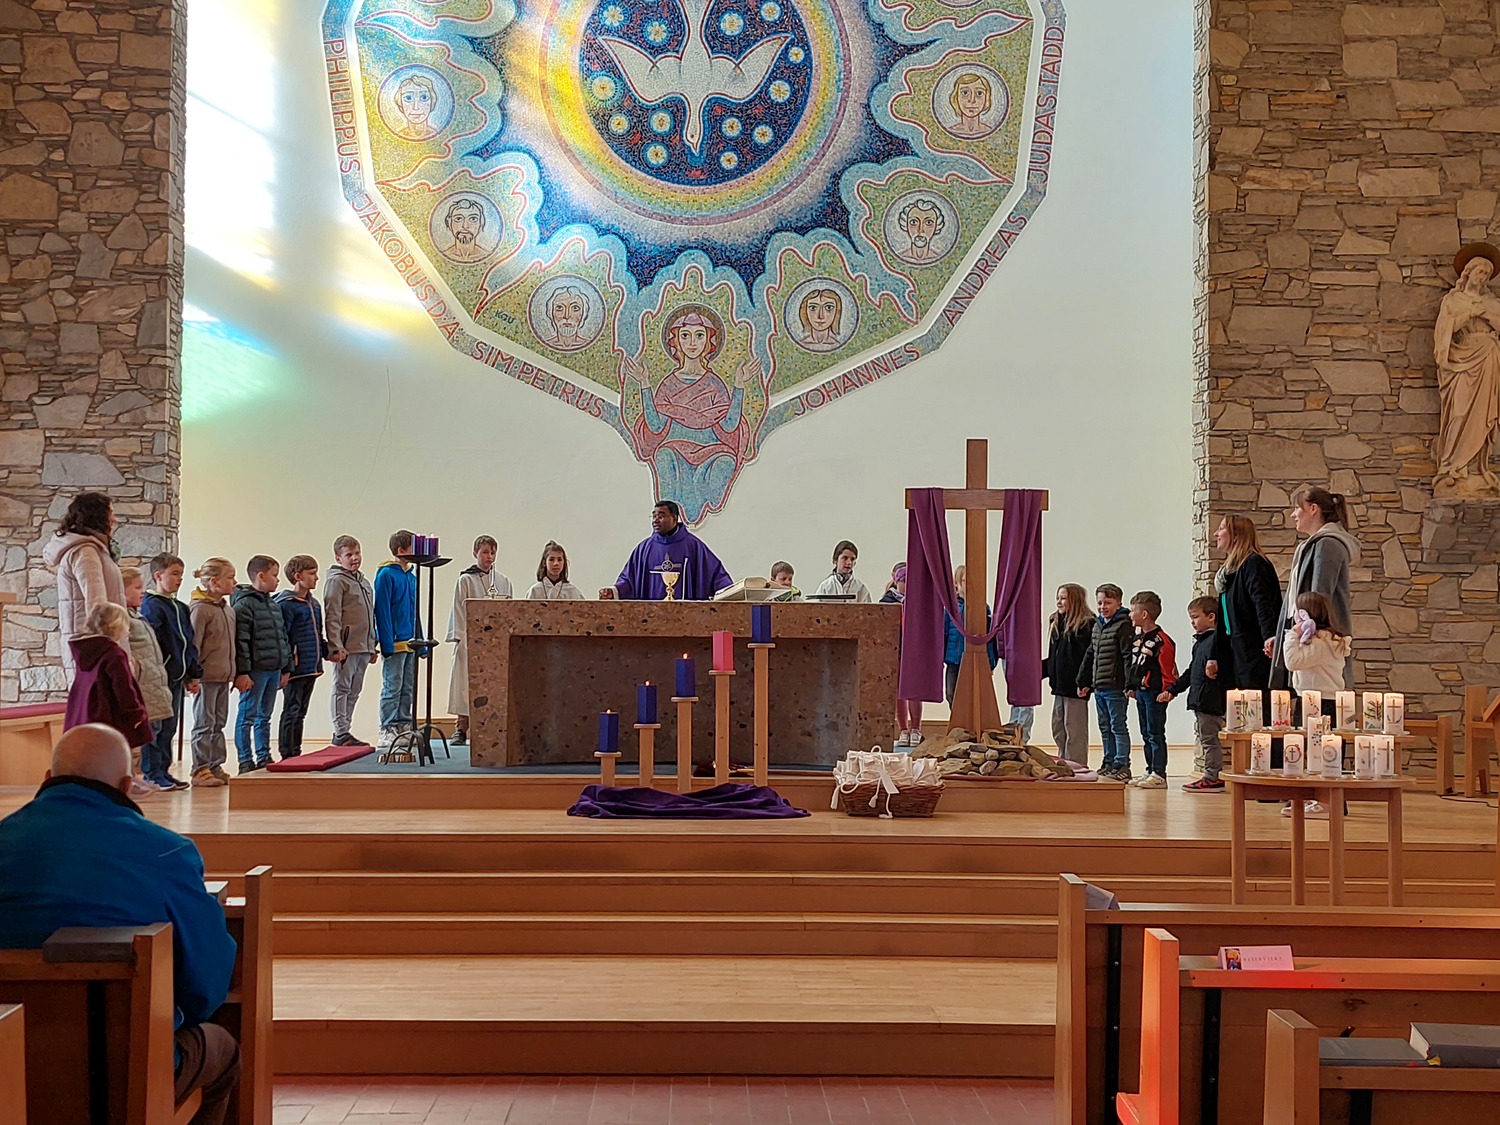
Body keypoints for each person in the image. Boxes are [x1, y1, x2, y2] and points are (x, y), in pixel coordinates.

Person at [0, 724, 241, 1124]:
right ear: (127, 786)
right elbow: (206, 988)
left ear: (48, 777)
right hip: (122, 1072)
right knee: (223, 1051)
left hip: (6, 1069)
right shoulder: (166, 854)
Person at [1268, 488, 1361, 690]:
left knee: (1314, 701)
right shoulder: (1312, 545)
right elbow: (1295, 601)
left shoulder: (1328, 544)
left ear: (1313, 509)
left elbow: (1318, 598)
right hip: (1304, 634)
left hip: (1315, 642)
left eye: (1297, 508)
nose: (1293, 515)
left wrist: (1300, 637)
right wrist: (1284, 634)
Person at [64, 603, 154, 799]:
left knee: (92, 753)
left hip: (87, 708)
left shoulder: (84, 649)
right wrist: (136, 712)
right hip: (108, 710)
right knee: (115, 749)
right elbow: (123, 686)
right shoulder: (113, 653)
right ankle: (121, 784)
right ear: (117, 625)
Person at [1212, 514, 1282, 766]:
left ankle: (1270, 769)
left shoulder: (1253, 564)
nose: (1216, 534)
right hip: (1238, 653)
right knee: (1249, 713)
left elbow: (1263, 603)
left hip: (1256, 653)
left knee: (1263, 711)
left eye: (1221, 529)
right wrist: (1215, 656)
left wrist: (1270, 637)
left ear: (1236, 535)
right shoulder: (1230, 573)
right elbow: (1224, 621)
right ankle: (1254, 767)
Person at [1434, 242, 1500, 498]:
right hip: (1462, 360)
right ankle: (1452, 466)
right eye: (1479, 271)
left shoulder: (1492, 302)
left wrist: (1486, 313)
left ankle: (1476, 469)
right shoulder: (1453, 300)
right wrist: (1470, 313)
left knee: (1483, 416)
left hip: (1488, 360)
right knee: (1459, 412)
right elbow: (1444, 332)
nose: (1482, 277)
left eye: (1487, 274)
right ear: (1468, 272)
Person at [43, 490, 125, 681]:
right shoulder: (85, 552)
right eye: (111, 513)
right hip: (95, 649)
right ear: (97, 516)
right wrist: (112, 653)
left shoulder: (93, 549)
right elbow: (97, 607)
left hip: (97, 646)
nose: (114, 519)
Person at [140, 553, 202, 792]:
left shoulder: (181, 607)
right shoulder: (152, 605)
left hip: (176, 677)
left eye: (181, 575)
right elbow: (154, 643)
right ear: (158, 576)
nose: (179, 579)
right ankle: (152, 773)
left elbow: (188, 642)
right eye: (174, 574)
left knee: (169, 727)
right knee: (155, 727)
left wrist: (192, 673)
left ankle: (164, 770)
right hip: (160, 678)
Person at [448, 535, 513, 745]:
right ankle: (461, 727)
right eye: (485, 552)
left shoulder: (503, 581)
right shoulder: (465, 580)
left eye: (493, 553)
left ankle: (490, 729)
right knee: (465, 684)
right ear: (475, 553)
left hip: (495, 644)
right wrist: (462, 638)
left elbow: (509, 612)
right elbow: (459, 610)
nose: (489, 557)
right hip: (470, 641)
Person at [1163, 597, 1231, 793]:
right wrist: (1173, 690)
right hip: (1200, 698)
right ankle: (1212, 775)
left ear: (1211, 617)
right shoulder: (1200, 643)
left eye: (1195, 617)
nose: (1192, 622)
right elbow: (1191, 671)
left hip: (1210, 699)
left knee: (1210, 740)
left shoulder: (1217, 642)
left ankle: (1213, 777)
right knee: (1206, 739)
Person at [230, 556, 292, 773]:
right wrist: (243, 672)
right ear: (261, 576)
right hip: (255, 671)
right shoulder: (244, 605)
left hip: (274, 669)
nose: (278, 580)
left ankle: (264, 755)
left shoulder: (273, 605)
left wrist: (286, 668)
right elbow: (241, 642)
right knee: (247, 715)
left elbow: (282, 637)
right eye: (274, 575)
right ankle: (245, 759)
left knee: (265, 716)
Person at [601, 500, 733, 600]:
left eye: (661, 516)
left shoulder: (693, 546)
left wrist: (730, 593)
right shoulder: (644, 549)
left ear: (674, 518)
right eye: (653, 516)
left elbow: (715, 574)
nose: (655, 520)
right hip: (649, 619)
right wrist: (614, 591)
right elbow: (629, 579)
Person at [121, 567, 179, 792]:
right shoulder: (123, 617)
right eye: (137, 587)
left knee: (163, 728)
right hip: (143, 682)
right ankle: (150, 773)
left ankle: (162, 770)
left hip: (155, 681)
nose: (142, 592)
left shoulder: (138, 616)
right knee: (150, 733)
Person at [323, 535, 378, 747]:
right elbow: (333, 615)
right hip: (346, 647)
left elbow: (369, 616)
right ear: (338, 558)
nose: (355, 558)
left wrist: (372, 645)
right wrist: (336, 646)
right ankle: (340, 731)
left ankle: (346, 729)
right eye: (349, 555)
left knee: (355, 690)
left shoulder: (363, 581)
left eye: (357, 553)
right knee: (342, 687)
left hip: (363, 646)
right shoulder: (336, 581)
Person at [1077, 584, 1134, 781]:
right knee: (1104, 726)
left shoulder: (1124, 625)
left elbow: (1127, 657)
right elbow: (1091, 653)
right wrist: (1083, 680)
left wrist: (1129, 684)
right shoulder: (1098, 625)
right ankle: (1109, 761)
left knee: (1118, 725)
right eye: (1100, 603)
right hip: (1099, 686)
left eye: (1108, 603)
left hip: (1115, 687)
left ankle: (1122, 764)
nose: (1103, 607)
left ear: (1119, 603)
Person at [189, 559, 237, 787]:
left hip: (223, 676)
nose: (234, 582)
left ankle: (215, 764)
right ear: (215, 582)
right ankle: (200, 769)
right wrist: (193, 676)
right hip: (206, 677)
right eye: (230, 577)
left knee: (219, 722)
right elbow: (194, 646)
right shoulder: (200, 610)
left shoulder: (227, 609)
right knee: (204, 723)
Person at [275, 556, 327, 760]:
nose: (316, 577)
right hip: (295, 668)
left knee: (301, 711)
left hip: (311, 666)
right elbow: (283, 638)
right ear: (298, 576)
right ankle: (286, 752)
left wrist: (326, 652)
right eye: (311, 573)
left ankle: (296, 751)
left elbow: (318, 634)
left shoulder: (314, 604)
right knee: (291, 709)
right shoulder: (286, 604)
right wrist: (286, 667)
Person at [1124, 592, 1177, 789]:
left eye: (1133, 610)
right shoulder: (1137, 637)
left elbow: (1168, 669)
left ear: (1144, 614)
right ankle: (1150, 770)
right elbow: (1135, 665)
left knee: (1155, 733)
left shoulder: (1162, 640)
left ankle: (1159, 773)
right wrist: (1132, 686)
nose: (1130, 614)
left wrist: (1168, 690)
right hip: (1141, 693)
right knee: (1146, 733)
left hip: (1156, 694)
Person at [374, 530, 421, 747]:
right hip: (394, 641)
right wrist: (386, 642)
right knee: (392, 686)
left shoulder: (411, 576)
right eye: (413, 548)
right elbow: (382, 610)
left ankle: (403, 723)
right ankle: (387, 727)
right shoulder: (386, 574)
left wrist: (421, 641)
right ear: (401, 550)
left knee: (407, 686)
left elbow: (415, 611)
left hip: (410, 640)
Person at [1043, 583, 1093, 764]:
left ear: (1075, 600)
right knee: (1058, 727)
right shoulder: (1057, 622)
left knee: (1074, 729)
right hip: (1059, 686)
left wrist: (1084, 682)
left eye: (1063, 598)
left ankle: (1077, 764)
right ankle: (1064, 761)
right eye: (1058, 598)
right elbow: (1054, 657)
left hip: (1076, 687)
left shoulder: (1086, 625)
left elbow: (1087, 658)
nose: (1059, 601)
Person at [943, 564, 1000, 706]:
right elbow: (944, 633)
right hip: (954, 660)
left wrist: (990, 663)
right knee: (951, 693)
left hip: (975, 659)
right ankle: (957, 718)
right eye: (964, 581)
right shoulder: (951, 608)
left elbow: (988, 637)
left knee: (974, 696)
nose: (968, 584)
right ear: (957, 583)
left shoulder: (983, 607)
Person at [880, 564, 922, 748]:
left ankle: (916, 728)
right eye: (903, 581)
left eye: (909, 581)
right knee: (898, 692)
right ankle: (903, 729)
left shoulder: (918, 601)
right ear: (896, 581)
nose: (906, 584)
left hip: (913, 651)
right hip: (895, 650)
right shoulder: (887, 601)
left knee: (914, 691)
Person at [1282, 592, 1353, 698]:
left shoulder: (1318, 643)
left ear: (1303, 615)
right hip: (1327, 696)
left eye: (1296, 611)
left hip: (1315, 698)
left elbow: (1292, 662)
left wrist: (1293, 634)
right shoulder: (1329, 639)